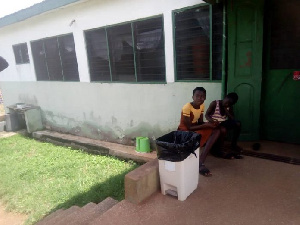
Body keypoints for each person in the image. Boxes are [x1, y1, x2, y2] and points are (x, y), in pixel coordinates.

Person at [178, 87, 222, 177]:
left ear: (205, 98)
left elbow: (200, 122)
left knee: (216, 130)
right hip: (185, 131)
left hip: (194, 127)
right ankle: (199, 163)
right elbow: (189, 127)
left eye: (202, 96)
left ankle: (201, 159)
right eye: (197, 96)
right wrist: (206, 125)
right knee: (203, 132)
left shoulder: (202, 105)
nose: (199, 98)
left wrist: (211, 123)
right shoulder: (187, 107)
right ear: (192, 97)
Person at [205, 92, 243, 159]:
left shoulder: (228, 107)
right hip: (213, 123)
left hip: (222, 123)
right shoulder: (215, 103)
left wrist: (226, 110)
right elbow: (206, 115)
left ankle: (233, 144)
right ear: (225, 97)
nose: (227, 104)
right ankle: (219, 149)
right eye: (227, 102)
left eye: (229, 104)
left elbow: (232, 118)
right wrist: (212, 121)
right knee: (223, 129)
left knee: (238, 123)